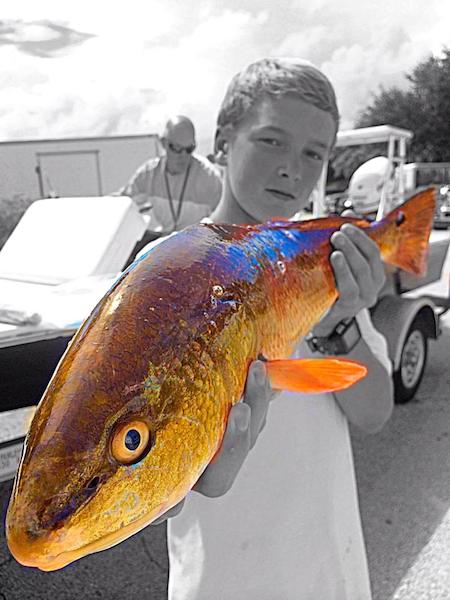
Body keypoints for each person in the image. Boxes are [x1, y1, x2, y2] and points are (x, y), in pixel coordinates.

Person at [143, 58, 393, 600]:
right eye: (272, 141)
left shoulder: (326, 259)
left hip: (331, 574)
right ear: (222, 141)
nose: (292, 169)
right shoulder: (165, 271)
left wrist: (339, 323)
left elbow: (375, 412)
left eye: (314, 154)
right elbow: (147, 486)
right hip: (219, 582)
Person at [118, 115, 222, 234]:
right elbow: (122, 203)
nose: (183, 155)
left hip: (200, 244)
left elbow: (227, 220)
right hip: (166, 241)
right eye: (176, 148)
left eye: (189, 149)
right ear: (163, 143)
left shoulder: (210, 177)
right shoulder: (149, 174)